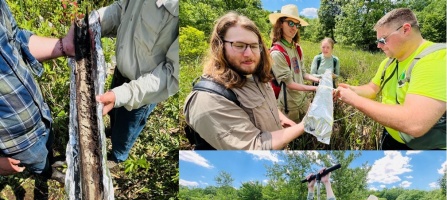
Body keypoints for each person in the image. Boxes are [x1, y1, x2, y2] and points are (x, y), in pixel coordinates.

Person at [184, 12, 310, 150]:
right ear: (219, 46)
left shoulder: (255, 75)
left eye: (254, 46)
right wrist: (304, 125)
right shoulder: (208, 99)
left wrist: (282, 120)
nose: (249, 54)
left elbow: (266, 105)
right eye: (239, 45)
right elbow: (254, 147)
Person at [336, 8, 446, 150]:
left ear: (405, 29)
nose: (378, 45)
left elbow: (414, 123)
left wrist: (354, 99)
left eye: (383, 40)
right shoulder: (389, 61)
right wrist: (351, 89)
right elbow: (372, 89)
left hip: (425, 148)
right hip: (390, 135)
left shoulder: (435, 59)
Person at [95, 0, 179, 164]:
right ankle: (112, 131)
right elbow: (121, 9)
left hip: (143, 91)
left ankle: (117, 157)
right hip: (120, 73)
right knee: (115, 115)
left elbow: (172, 74)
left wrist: (123, 94)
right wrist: (94, 20)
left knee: (126, 131)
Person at [0, 0, 74, 179]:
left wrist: (64, 46)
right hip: (17, 142)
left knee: (47, 147)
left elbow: (15, 38)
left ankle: (50, 161)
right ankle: (48, 173)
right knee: (39, 164)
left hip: (41, 115)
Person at [269, 5, 320, 123]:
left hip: (303, 100)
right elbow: (290, 84)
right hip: (289, 106)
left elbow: (302, 73)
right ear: (281, 23)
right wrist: (315, 88)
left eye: (297, 24)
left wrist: (319, 80)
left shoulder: (297, 48)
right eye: (290, 23)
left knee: (308, 129)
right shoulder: (277, 52)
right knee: (293, 137)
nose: (294, 28)